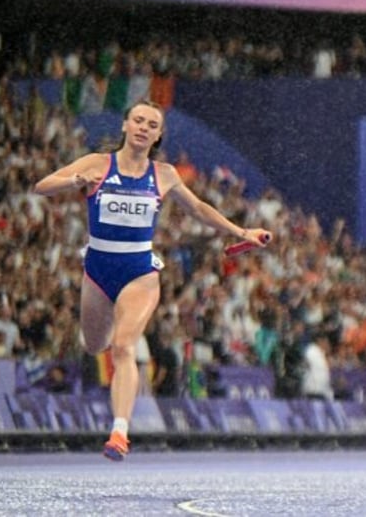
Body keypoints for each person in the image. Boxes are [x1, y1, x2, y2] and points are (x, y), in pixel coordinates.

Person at [33, 99, 271, 461]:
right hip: (97, 269)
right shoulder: (98, 163)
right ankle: (112, 347)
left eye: (152, 124)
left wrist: (241, 231)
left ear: (158, 134)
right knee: (95, 343)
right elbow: (41, 186)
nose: (144, 127)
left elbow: (199, 209)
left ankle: (119, 432)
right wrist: (75, 180)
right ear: (126, 126)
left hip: (140, 271)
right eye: (138, 120)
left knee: (124, 346)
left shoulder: (165, 174)